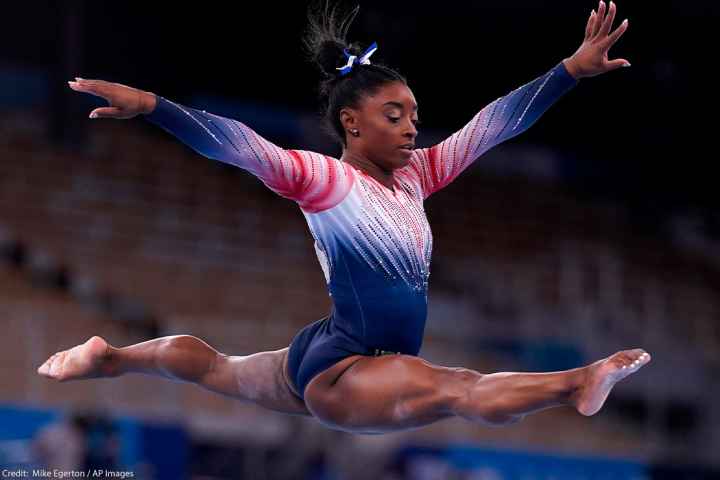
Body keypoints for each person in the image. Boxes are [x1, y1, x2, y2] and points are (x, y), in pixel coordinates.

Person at [39, 1, 651, 434]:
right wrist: (153, 106)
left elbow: (495, 124)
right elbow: (237, 145)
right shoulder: (325, 180)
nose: (411, 126)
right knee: (457, 389)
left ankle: (112, 357)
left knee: (218, 367)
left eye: (413, 113)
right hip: (345, 371)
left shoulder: (420, 173)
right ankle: (576, 382)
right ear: (352, 122)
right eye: (394, 114)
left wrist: (568, 71)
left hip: (333, 350)